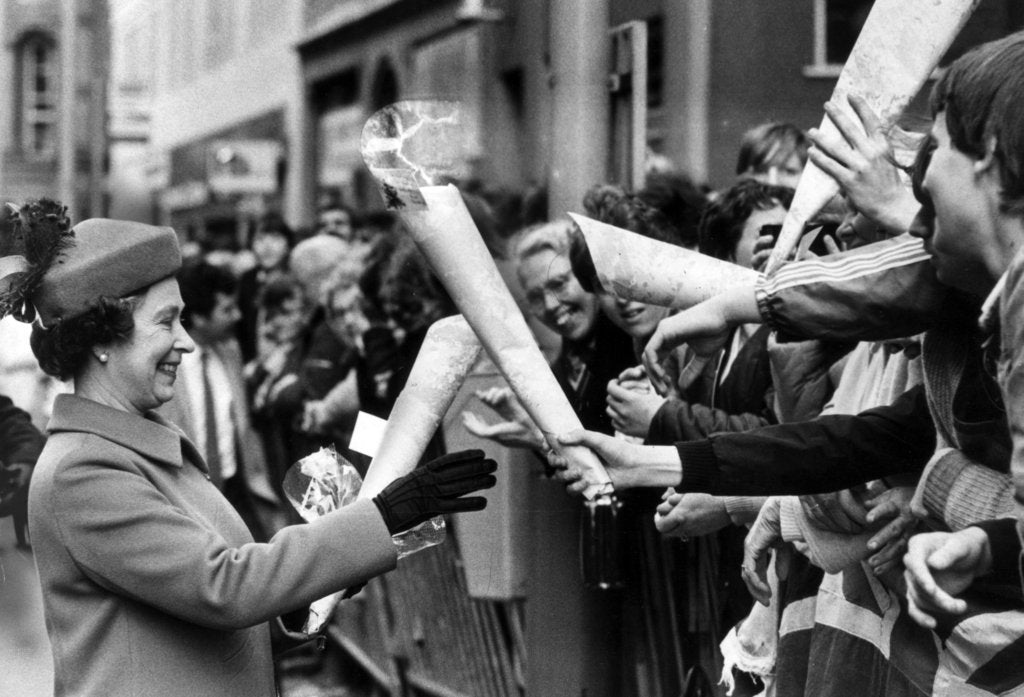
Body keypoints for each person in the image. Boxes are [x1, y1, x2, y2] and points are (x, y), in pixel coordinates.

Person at [10, 205, 496, 697]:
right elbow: (225, 586)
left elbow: (204, 619)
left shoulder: (131, 448)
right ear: (102, 339)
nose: (187, 342)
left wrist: (313, 591)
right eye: (166, 322)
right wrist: (378, 519)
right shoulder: (84, 469)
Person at [162, 261, 281, 539]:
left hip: (237, 492)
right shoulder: (165, 367)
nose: (238, 315)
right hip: (189, 503)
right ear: (200, 318)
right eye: (227, 309)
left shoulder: (230, 352)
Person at [236, 212, 293, 362]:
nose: (267, 246)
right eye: (260, 239)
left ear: (288, 244)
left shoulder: (295, 278)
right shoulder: (246, 280)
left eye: (275, 238)